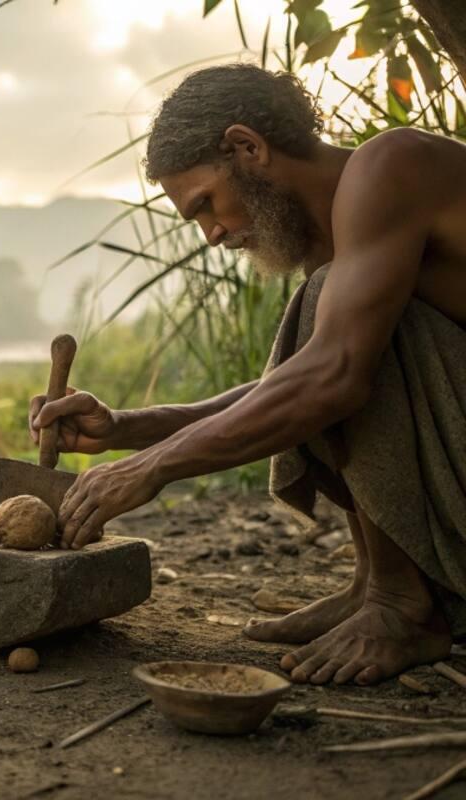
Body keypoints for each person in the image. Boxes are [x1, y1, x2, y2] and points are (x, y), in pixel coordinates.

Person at [29, 63, 466, 687]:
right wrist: (127, 429)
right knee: (324, 322)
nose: (210, 234)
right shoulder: (343, 237)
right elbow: (292, 385)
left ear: (247, 148)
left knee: (328, 323)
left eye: (205, 204)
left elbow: (334, 376)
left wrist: (156, 466)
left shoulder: (389, 166)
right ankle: (376, 582)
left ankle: (402, 605)